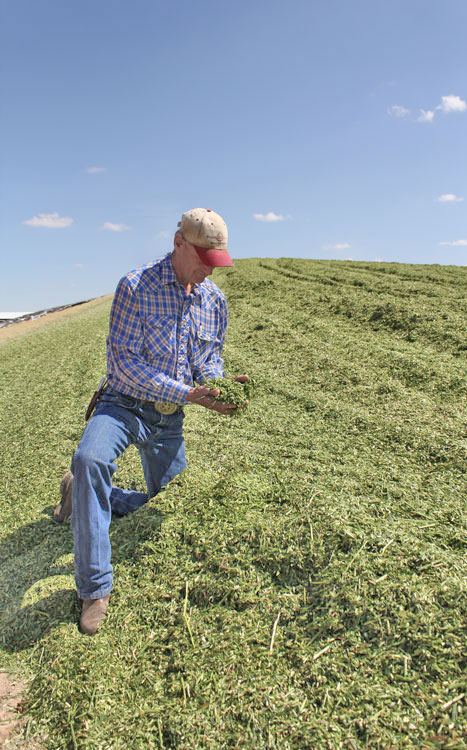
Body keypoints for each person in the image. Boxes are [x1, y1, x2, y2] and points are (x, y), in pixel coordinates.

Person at [53, 207, 249, 635]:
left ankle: (80, 496)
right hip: (121, 404)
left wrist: (219, 390)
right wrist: (187, 393)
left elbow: (206, 363)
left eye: (215, 265)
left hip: (167, 419)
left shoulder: (214, 302)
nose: (208, 274)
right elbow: (123, 364)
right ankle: (94, 588)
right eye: (202, 262)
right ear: (179, 244)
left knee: (169, 510)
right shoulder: (135, 287)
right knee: (90, 460)